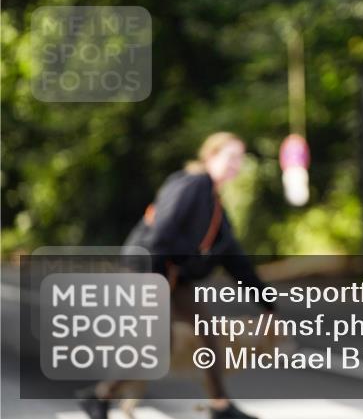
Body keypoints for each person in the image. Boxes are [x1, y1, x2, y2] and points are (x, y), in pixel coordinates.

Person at [78, 132, 272, 419]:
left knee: (208, 333)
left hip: (176, 275)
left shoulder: (215, 205)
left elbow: (234, 259)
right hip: (149, 269)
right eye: (231, 157)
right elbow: (162, 232)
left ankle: (221, 406)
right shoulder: (191, 184)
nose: (236, 164)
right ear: (210, 156)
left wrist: (267, 301)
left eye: (240, 159)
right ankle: (100, 395)